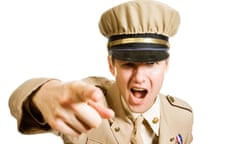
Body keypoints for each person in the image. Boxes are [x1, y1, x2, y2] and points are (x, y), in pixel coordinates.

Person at [8, 0, 193, 143]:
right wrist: (44, 95)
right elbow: (18, 101)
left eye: (151, 63)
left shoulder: (182, 115)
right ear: (111, 65)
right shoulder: (88, 105)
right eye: (128, 64)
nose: (139, 78)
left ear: (166, 65)